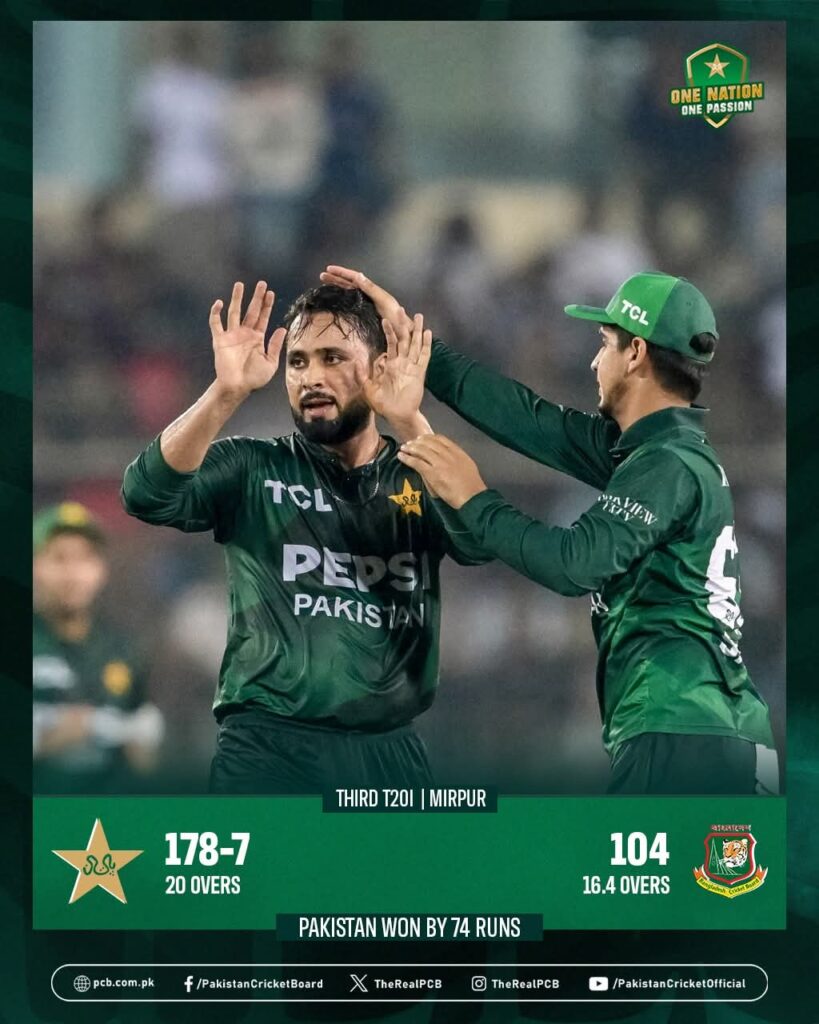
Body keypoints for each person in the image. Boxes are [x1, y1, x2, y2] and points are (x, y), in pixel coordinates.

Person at [320, 266, 779, 795]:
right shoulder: (661, 451)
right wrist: (420, 350)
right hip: (716, 731)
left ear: (635, 353)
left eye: (604, 343)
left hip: (681, 730)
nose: (594, 361)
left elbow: (573, 564)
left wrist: (474, 498)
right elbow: (529, 420)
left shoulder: (666, 464)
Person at [121, 280, 487, 794]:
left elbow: (478, 539)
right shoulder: (252, 467)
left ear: (379, 368)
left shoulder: (415, 475)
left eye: (332, 358)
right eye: (297, 362)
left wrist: (408, 418)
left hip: (390, 752)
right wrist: (225, 393)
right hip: (269, 750)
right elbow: (144, 494)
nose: (311, 377)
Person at [33, 502, 163, 793]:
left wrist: (136, 745)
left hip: (106, 812)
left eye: (85, 558)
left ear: (101, 570)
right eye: (59, 558)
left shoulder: (123, 650)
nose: (73, 573)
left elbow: (147, 755)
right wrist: (60, 734)